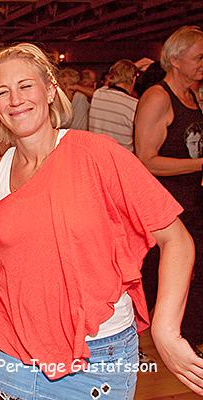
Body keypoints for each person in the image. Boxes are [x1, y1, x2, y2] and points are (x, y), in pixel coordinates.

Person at [0, 43, 203, 398]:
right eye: (2, 92)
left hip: (98, 353)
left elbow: (177, 239)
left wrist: (165, 330)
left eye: (25, 86)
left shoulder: (97, 154)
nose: (15, 99)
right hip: (18, 352)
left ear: (49, 90)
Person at [134, 25, 203, 356]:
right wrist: (200, 164)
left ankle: (189, 341)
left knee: (193, 273)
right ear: (175, 60)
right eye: (198, 57)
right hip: (165, 208)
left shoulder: (192, 96)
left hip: (191, 201)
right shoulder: (158, 98)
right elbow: (145, 160)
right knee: (157, 278)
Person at [88, 59, 139, 152]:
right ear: (134, 79)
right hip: (122, 157)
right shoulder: (135, 105)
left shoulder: (98, 94)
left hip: (96, 154)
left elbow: (108, 83)